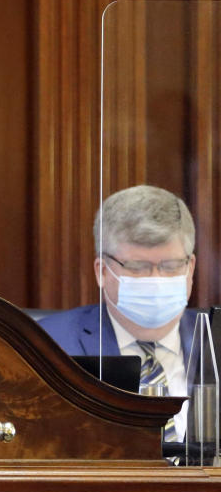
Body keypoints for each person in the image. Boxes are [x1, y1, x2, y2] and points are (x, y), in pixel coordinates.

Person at [39, 185, 198, 439]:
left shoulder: (213, 342)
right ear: (102, 271)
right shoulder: (48, 346)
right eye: (137, 267)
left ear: (190, 268)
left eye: (170, 266)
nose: (156, 279)